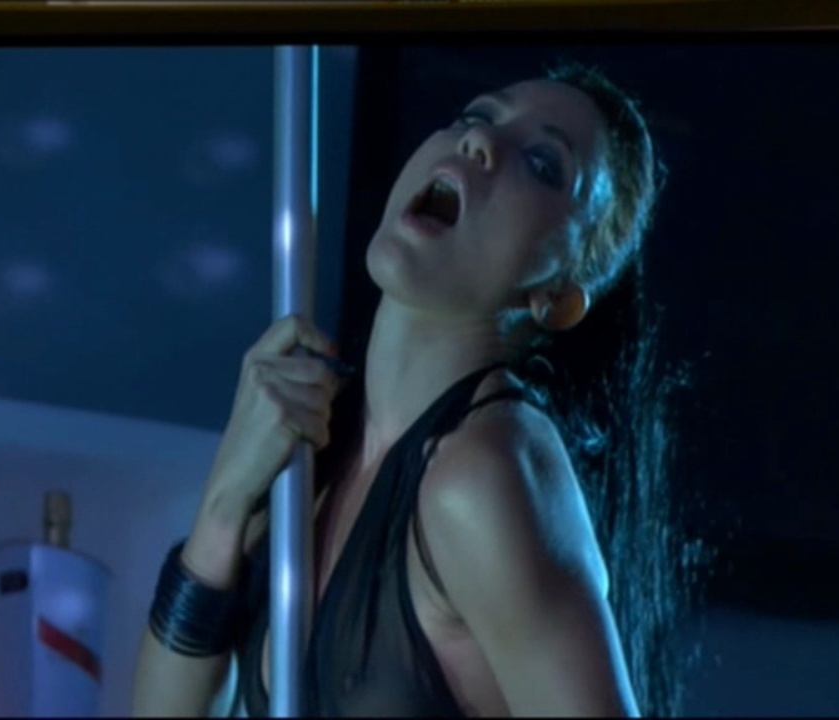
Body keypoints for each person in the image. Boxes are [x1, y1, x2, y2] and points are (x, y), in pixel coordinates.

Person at [133, 61, 690, 718]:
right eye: (476, 117)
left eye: (542, 163)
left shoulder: (483, 470)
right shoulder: (305, 450)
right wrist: (225, 502)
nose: (479, 141)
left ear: (557, 295)